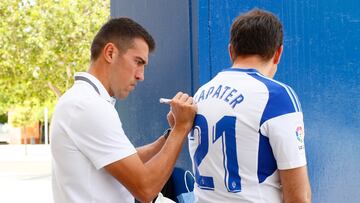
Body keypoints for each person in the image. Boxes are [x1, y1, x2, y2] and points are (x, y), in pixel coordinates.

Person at [50, 17, 197, 203]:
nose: (141, 76)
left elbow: (125, 159)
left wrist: (167, 137)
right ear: (110, 53)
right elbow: (146, 189)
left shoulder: (83, 100)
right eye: (138, 62)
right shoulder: (88, 106)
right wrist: (181, 128)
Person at [188, 9, 311, 203]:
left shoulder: (200, 94)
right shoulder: (277, 96)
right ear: (278, 52)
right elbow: (298, 196)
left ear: (231, 51)